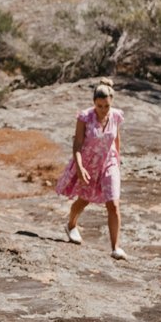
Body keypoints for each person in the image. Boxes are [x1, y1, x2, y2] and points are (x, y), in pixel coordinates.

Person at [54, 78, 126, 260]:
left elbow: (116, 139)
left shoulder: (116, 116)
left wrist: (118, 161)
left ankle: (115, 247)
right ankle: (71, 225)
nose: (103, 110)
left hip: (109, 162)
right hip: (88, 163)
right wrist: (79, 167)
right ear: (94, 102)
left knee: (113, 203)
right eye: (100, 106)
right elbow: (77, 144)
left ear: (112, 103)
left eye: (106, 106)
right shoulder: (85, 117)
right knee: (84, 200)